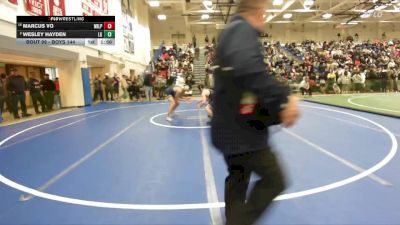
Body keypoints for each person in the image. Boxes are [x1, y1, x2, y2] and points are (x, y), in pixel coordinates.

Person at [211, 1, 300, 225]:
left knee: (238, 178)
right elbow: (247, 67)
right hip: (243, 133)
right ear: (261, 13)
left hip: (229, 130)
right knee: (274, 180)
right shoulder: (242, 29)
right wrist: (285, 96)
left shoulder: (231, 30)